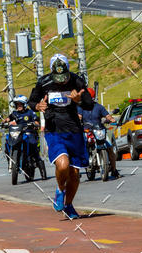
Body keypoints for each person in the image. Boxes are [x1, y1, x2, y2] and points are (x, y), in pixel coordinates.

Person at [29, 53, 94, 220]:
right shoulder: (44, 83)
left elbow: (89, 104)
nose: (62, 81)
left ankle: (69, 205)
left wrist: (79, 100)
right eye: (58, 78)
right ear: (52, 72)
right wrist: (38, 105)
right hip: (54, 130)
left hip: (74, 131)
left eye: (64, 77)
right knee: (63, 164)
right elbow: (32, 101)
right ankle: (59, 189)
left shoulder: (77, 81)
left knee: (74, 173)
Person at [80, 88, 120, 178]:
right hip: (87, 131)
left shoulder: (99, 107)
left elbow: (107, 116)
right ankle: (76, 170)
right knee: (79, 148)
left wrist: (112, 119)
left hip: (99, 131)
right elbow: (79, 116)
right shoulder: (81, 107)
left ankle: (114, 170)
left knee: (110, 149)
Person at [2, 95, 40, 167]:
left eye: (20, 104)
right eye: (17, 104)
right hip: (18, 133)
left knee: (33, 145)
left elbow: (36, 121)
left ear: (24, 104)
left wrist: (35, 124)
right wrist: (2, 122)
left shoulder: (30, 112)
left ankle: (37, 161)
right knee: (7, 142)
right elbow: (8, 118)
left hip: (29, 133)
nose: (19, 106)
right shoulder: (14, 113)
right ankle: (10, 160)